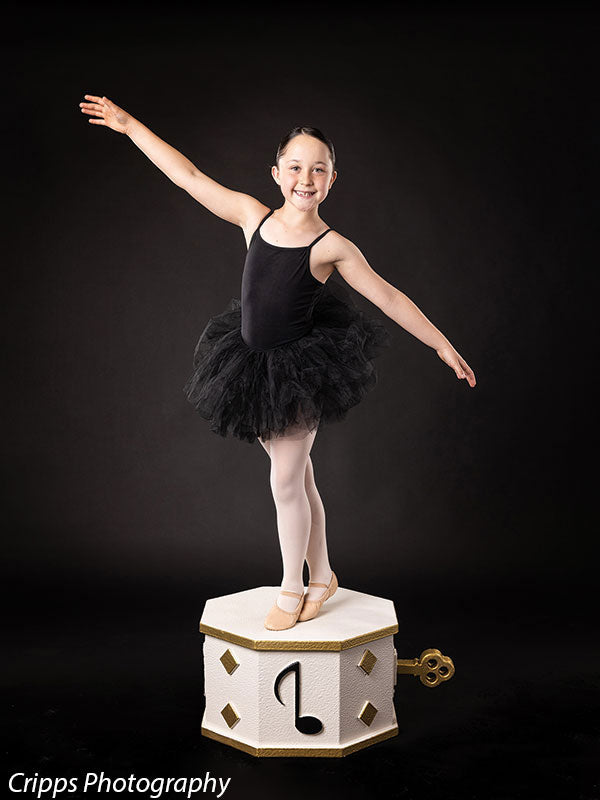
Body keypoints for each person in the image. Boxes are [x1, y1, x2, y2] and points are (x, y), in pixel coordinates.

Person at [79, 95, 477, 632]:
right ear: (276, 173)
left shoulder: (332, 246)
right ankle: (324, 575)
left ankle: (294, 587)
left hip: (298, 374)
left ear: (333, 180)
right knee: (301, 480)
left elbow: (389, 297)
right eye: (295, 167)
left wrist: (440, 344)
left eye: (319, 169)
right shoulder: (252, 216)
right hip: (250, 365)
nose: (305, 178)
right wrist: (130, 127)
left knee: (285, 482)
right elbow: (189, 176)